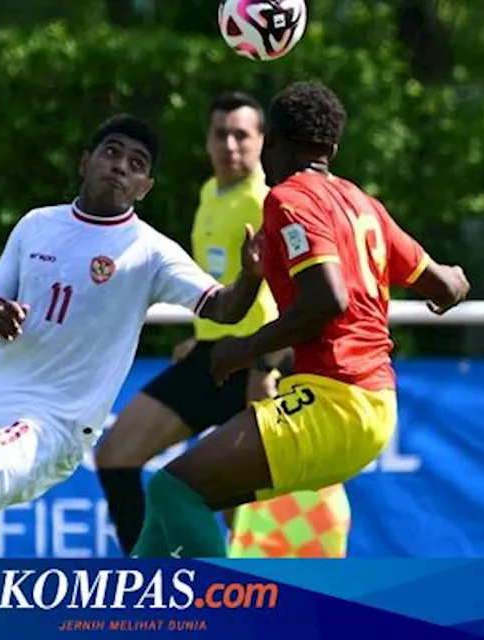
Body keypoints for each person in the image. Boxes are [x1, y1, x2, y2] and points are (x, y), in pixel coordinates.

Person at [0, 114, 265, 559]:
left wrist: (251, 276)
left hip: (55, 421)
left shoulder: (149, 251)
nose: (121, 166)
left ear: (145, 186)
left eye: (137, 162)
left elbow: (224, 308)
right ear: (85, 162)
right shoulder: (35, 225)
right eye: (111, 152)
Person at [129, 81, 470, 558]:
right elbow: (443, 285)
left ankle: (221, 617)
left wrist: (240, 349)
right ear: (332, 147)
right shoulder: (364, 204)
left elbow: (327, 299)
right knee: (175, 503)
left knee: (173, 489)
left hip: (334, 402)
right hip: (372, 405)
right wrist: (456, 279)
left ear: (272, 144)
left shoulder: (289, 199)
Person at [94, 91, 351, 559]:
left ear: (262, 142)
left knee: (243, 513)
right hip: (214, 355)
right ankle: (148, 583)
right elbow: (225, 286)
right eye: (221, 134)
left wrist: (267, 366)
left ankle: (233, 605)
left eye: (242, 135)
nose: (230, 145)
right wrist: (200, 335)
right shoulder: (210, 193)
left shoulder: (272, 200)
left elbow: (298, 295)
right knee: (116, 455)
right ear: (208, 142)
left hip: (257, 363)